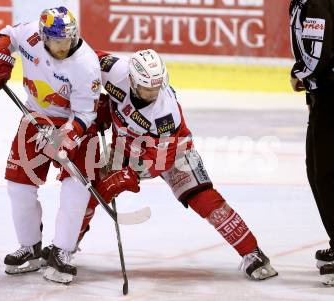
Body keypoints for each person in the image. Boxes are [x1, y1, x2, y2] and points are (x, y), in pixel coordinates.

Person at [42, 49, 279, 280]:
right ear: (132, 80)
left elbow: (161, 159)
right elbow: (83, 59)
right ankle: (64, 248)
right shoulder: (114, 69)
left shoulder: (166, 112)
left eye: (157, 86)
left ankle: (253, 253)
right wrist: (94, 105)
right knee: (91, 192)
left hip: (173, 150)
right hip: (125, 145)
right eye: (147, 87)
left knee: (203, 198)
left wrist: (129, 174)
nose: (153, 92)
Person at [0, 6, 102, 284]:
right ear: (44, 37)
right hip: (35, 117)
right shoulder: (31, 34)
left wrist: (60, 138)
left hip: (76, 125)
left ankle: (62, 252)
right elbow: (9, 34)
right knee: (19, 186)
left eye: (68, 40)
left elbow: (85, 114)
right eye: (57, 41)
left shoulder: (87, 64)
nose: (63, 46)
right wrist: (0, 55)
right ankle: (31, 248)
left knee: (75, 189)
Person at [289, 0, 334, 285]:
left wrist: (298, 75)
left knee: (326, 175)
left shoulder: (315, 1)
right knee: (317, 171)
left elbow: (318, 56)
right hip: (324, 97)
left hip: (331, 98)